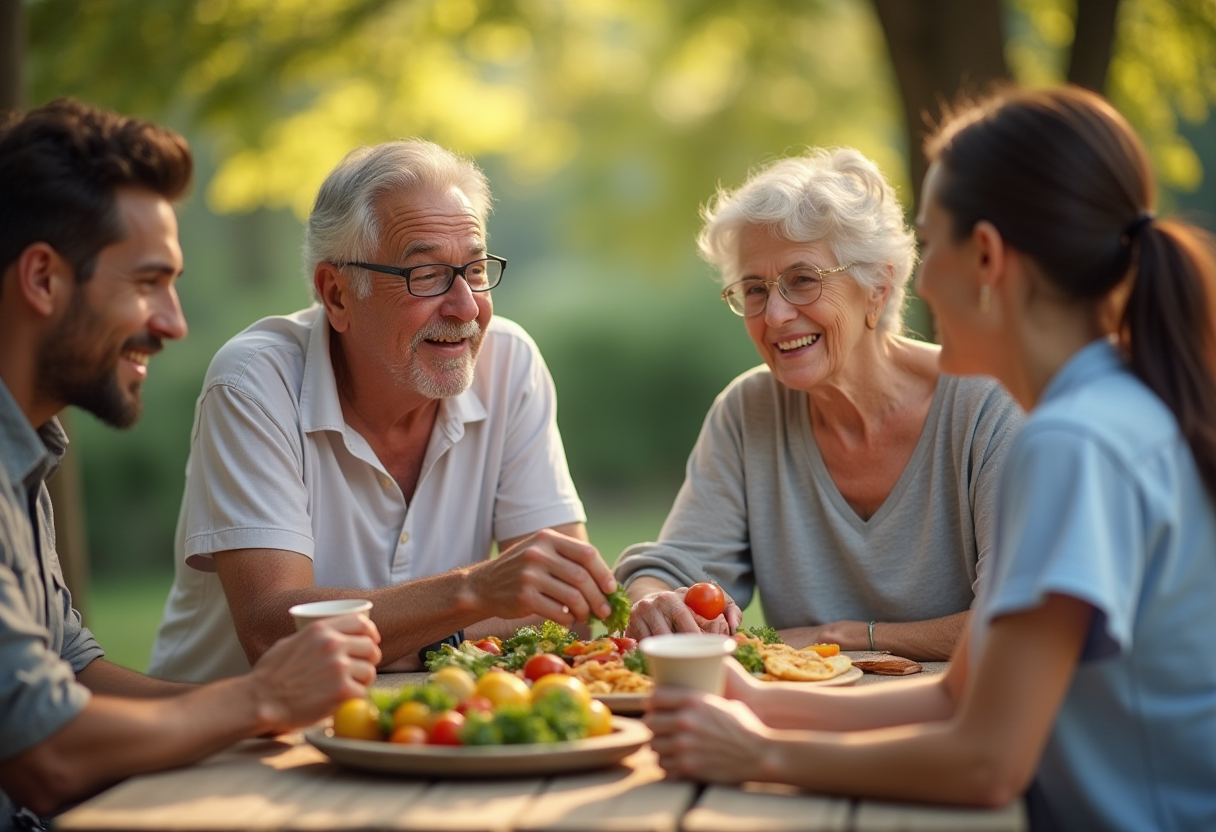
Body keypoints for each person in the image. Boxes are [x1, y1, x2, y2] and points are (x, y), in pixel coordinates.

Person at [645, 86, 1216, 832]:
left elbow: (988, 763)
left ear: (984, 257)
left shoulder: (1070, 443)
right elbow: (957, 695)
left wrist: (760, 755)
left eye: (929, 239)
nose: (916, 274)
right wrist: (758, 703)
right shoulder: (1101, 411)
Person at [0, 100, 382, 831]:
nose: (174, 322)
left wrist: (271, 709)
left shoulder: (27, 446)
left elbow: (72, 672)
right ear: (43, 279)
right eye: (148, 282)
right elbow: (43, 751)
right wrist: (257, 700)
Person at [149, 139, 617, 683]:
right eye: (426, 275)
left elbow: (568, 608)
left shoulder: (510, 363)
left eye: (476, 268)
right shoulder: (255, 383)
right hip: (230, 744)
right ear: (337, 294)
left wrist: (414, 639)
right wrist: (474, 593)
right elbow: (275, 633)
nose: (466, 306)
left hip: (418, 732)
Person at [615, 148, 1023, 659]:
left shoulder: (988, 404)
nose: (777, 314)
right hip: (806, 717)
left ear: (878, 287)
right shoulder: (747, 411)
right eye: (754, 289)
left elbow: (1016, 623)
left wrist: (843, 636)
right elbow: (673, 569)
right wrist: (655, 601)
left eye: (803, 280)